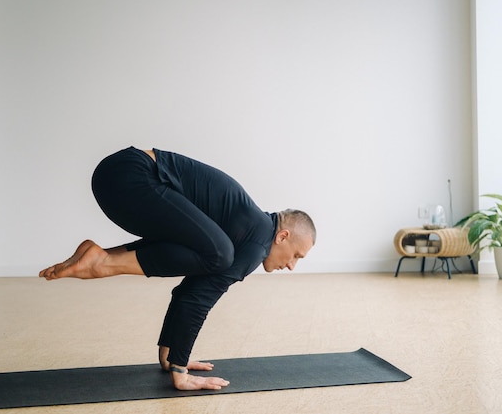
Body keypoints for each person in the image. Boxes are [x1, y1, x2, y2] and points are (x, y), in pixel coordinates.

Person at [39, 146, 316, 391]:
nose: (291, 265)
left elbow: (189, 291)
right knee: (221, 253)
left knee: (217, 253)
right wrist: (180, 372)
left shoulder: (246, 226)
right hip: (132, 177)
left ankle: (100, 257)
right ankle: (102, 262)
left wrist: (171, 355)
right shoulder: (255, 244)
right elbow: (199, 300)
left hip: (115, 176)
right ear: (282, 237)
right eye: (296, 256)